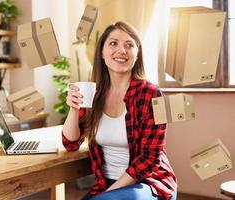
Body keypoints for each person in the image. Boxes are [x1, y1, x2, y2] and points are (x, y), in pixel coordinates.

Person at [62, 21, 177, 200]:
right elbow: (71, 144)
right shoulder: (94, 93)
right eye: (113, 43)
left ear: (137, 54)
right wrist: (74, 109)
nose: (121, 50)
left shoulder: (153, 94)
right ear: (102, 52)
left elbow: (150, 158)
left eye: (129, 45)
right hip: (105, 182)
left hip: (148, 183)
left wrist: (109, 193)